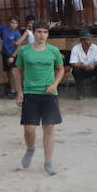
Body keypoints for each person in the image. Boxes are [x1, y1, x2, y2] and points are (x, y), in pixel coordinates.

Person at [13, 24, 66, 175]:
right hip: (30, 92)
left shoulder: (53, 51)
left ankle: (48, 161)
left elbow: (61, 69)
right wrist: (19, 92)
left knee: (48, 128)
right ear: (33, 33)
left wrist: (55, 84)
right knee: (29, 128)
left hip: (49, 94)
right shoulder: (24, 50)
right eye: (39, 32)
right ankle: (30, 148)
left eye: (45, 32)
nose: (42, 35)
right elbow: (18, 70)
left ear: (48, 34)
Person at [68, 28, 97, 99]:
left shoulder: (94, 47)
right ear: (81, 41)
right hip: (81, 70)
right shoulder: (75, 48)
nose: (89, 41)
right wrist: (83, 66)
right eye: (87, 39)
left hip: (91, 68)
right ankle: (80, 94)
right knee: (76, 70)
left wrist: (93, 65)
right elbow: (73, 63)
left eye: (89, 39)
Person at [0, 15, 24, 98]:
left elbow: (18, 46)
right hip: (5, 54)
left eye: (16, 23)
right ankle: (12, 90)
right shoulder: (4, 28)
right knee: (8, 73)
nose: (14, 25)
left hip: (13, 55)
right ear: (8, 23)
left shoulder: (17, 33)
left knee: (14, 72)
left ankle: (17, 90)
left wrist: (13, 56)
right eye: (12, 22)